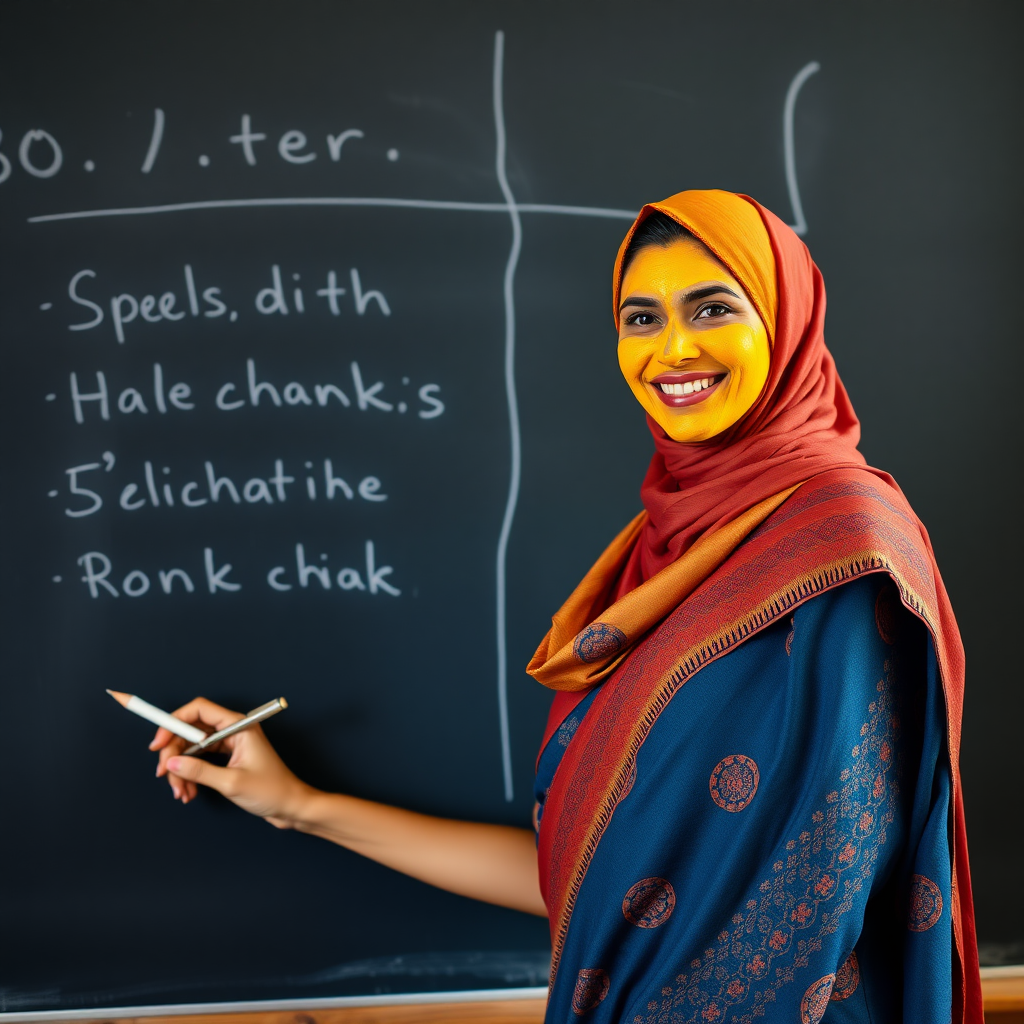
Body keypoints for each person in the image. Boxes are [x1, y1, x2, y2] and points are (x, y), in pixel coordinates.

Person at [150, 190, 982, 1023]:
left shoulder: (840, 551)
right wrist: (300, 806)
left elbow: (811, 904)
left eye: (714, 307)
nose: (673, 348)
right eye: (641, 317)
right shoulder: (666, 550)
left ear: (788, 321)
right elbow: (593, 885)